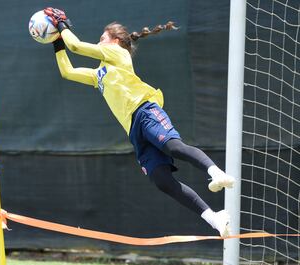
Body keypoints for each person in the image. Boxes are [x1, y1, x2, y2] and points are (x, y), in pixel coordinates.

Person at [43, 8, 235, 237]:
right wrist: (56, 40)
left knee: (173, 146)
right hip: (134, 130)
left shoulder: (118, 53)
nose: (99, 41)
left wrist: (61, 24)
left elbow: (75, 46)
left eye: (102, 37)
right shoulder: (100, 74)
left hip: (145, 111)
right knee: (162, 180)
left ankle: (216, 172)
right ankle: (215, 219)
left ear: (116, 40)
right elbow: (68, 71)